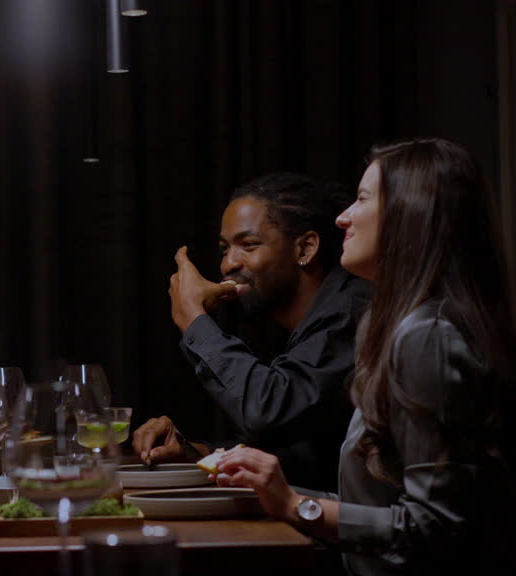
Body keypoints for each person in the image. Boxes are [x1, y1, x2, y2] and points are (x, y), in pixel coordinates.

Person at [214, 138, 516, 576]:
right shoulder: (406, 326)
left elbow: (435, 533)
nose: (343, 214)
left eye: (363, 199)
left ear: (412, 216)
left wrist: (299, 507)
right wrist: (278, 491)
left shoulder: (427, 337)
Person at [134, 173, 369, 490]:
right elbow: (294, 448)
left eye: (248, 245)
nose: (228, 263)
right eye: (224, 249)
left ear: (305, 248)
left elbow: (268, 411)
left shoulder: (351, 312)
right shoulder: (290, 328)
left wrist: (193, 319)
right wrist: (192, 454)